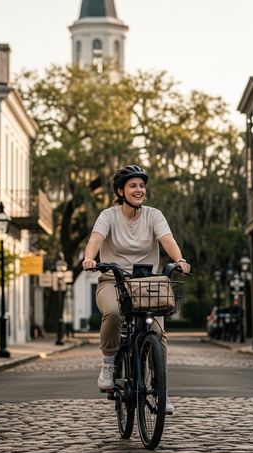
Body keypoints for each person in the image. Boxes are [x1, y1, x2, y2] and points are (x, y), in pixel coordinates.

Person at [82, 165, 191, 415]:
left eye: (142, 186)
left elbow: (167, 240)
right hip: (114, 281)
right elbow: (95, 239)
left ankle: (161, 391)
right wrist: (89, 258)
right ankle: (109, 364)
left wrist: (180, 259)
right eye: (133, 185)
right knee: (113, 313)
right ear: (121, 191)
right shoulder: (108, 216)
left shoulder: (154, 215)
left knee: (158, 334)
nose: (139, 190)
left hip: (147, 284)